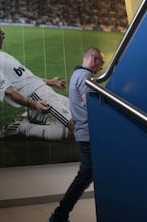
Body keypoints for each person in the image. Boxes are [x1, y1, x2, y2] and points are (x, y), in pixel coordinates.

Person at [0, 18, 73, 141]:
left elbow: (26, 77)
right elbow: (8, 91)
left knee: (82, 116)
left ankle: (28, 116)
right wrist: (34, 104)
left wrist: (49, 82)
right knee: (77, 130)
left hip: (45, 92)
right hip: (37, 97)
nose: (3, 33)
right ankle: (23, 128)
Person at [49, 47, 105, 222]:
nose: (101, 68)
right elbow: (91, 106)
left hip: (84, 134)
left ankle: (60, 214)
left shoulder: (77, 75)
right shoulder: (85, 77)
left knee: (87, 176)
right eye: (101, 63)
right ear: (93, 58)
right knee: (84, 176)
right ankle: (59, 215)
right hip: (89, 135)